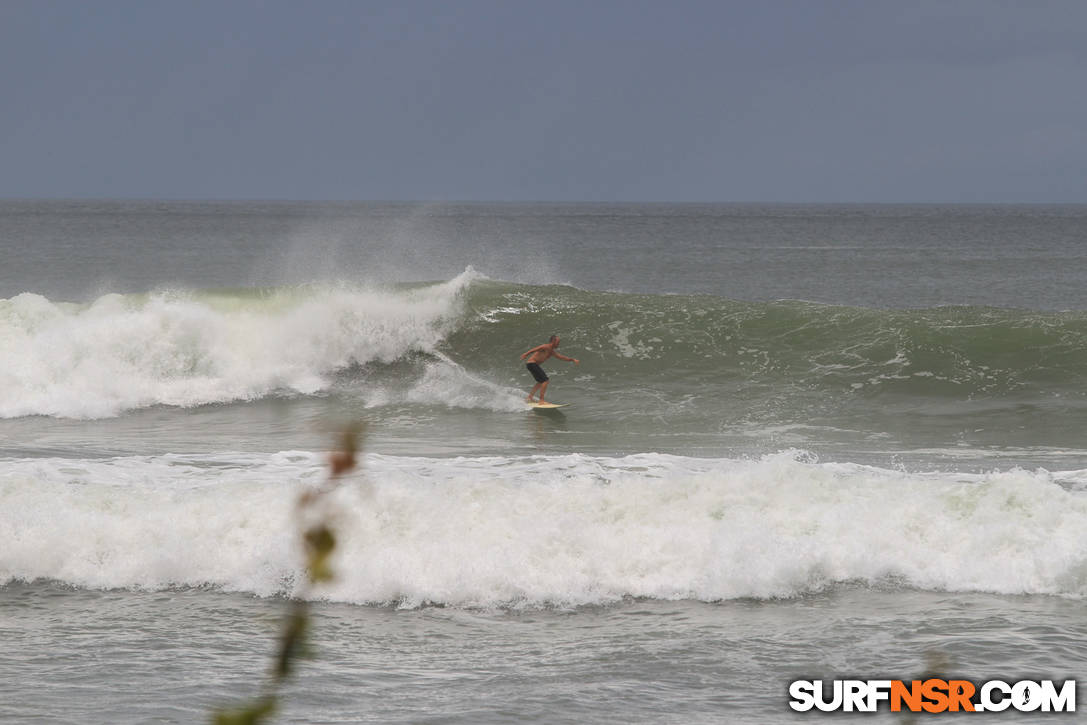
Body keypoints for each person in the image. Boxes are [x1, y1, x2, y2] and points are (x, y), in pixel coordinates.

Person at [520, 335, 579, 403]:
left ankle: (529, 397)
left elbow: (561, 357)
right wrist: (525, 354)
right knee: (545, 380)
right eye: (558, 342)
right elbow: (534, 349)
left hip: (531, 364)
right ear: (553, 341)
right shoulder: (545, 346)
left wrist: (572, 359)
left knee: (540, 382)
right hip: (532, 364)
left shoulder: (551, 351)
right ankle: (541, 400)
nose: (558, 344)